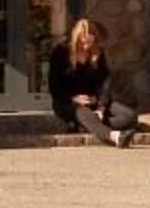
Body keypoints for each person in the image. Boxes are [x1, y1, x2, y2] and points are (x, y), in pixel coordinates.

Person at [49, 19, 142, 147]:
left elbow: (105, 82)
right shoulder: (61, 52)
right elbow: (54, 85)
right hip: (69, 103)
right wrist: (74, 98)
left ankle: (87, 126)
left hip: (94, 100)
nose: (87, 41)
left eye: (90, 37)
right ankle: (114, 136)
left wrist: (100, 107)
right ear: (77, 37)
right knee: (81, 112)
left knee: (130, 117)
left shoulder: (98, 53)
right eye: (83, 38)